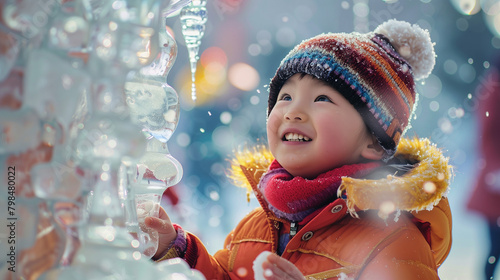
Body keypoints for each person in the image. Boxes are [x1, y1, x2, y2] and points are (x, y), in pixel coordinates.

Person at [145, 19, 453, 280]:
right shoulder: (258, 224)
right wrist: (177, 249)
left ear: (373, 141)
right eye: (285, 97)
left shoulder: (393, 240)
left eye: (321, 99)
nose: (294, 112)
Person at [467, 58, 500, 280]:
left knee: (495, 248)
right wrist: (495, 168)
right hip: (496, 183)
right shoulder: (495, 89)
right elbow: (486, 133)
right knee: (495, 248)